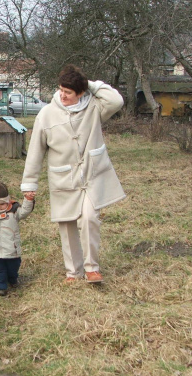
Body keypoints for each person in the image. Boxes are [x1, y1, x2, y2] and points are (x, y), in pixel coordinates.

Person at [20, 64, 125, 284]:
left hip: (91, 175)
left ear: (81, 93)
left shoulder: (94, 107)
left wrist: (90, 84)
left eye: (68, 92)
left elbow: (116, 101)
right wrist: (30, 185)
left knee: (89, 217)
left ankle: (92, 268)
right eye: (61, 90)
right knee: (66, 224)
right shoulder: (46, 114)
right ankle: (73, 272)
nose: (62, 95)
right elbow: (35, 152)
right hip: (63, 177)